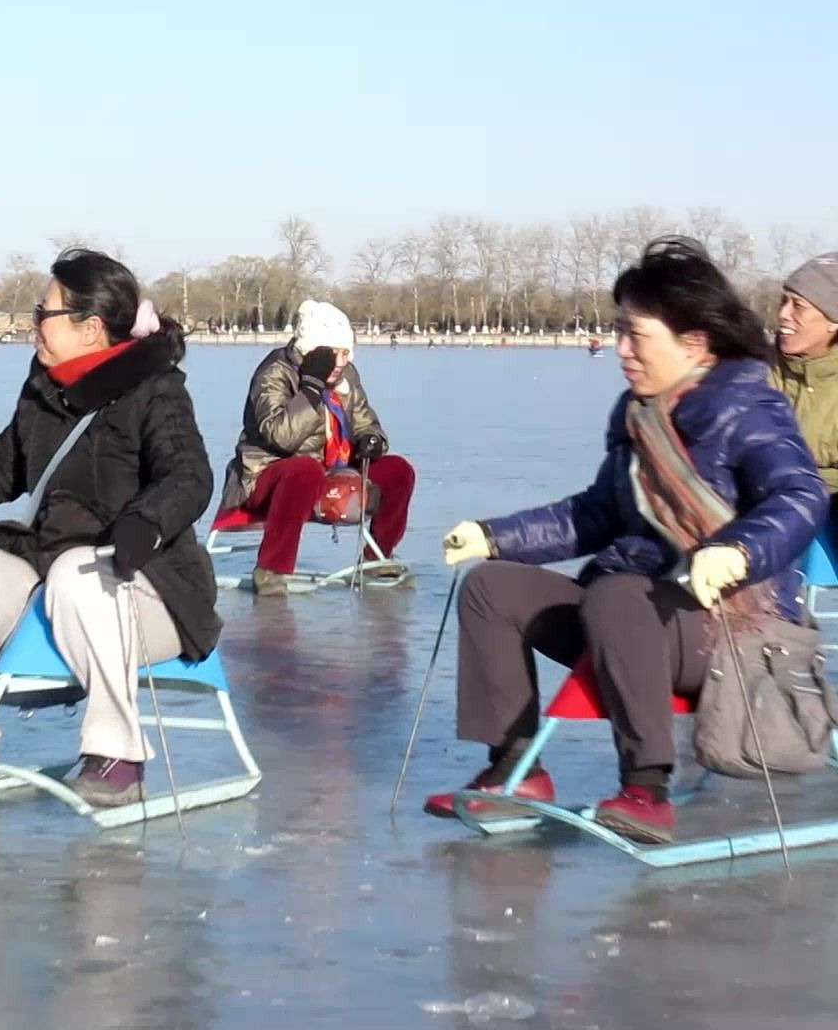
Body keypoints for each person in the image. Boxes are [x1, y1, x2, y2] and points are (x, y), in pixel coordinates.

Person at [430, 239, 826, 844]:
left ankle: (646, 788)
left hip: (729, 631)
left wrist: (739, 550)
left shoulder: (749, 404)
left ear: (693, 341)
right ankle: (516, 769)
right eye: (619, 333)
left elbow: (799, 496)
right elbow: (595, 515)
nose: (621, 350)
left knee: (616, 596)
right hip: (633, 616)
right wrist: (494, 536)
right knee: (493, 590)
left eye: (636, 336)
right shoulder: (636, 413)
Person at [0, 248, 220, 807]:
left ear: (91, 328)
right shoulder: (46, 388)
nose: (33, 323)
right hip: (54, 581)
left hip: (146, 592)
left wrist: (145, 523)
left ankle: (118, 757)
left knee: (80, 574)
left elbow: (189, 475)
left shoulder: (156, 389)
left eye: (44, 313)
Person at [216, 299, 416, 595]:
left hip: (331, 469)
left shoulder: (347, 377)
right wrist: (310, 388)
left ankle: (377, 557)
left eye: (346, 353)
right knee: (303, 469)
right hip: (267, 474)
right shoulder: (274, 373)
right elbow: (281, 436)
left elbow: (365, 422)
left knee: (398, 470)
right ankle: (271, 568)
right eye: (332, 353)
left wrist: (371, 439)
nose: (340, 362)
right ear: (310, 351)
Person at [771, 252, 838, 502]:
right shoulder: (755, 367)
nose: (783, 314)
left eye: (798, 305)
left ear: (833, 321)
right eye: (783, 301)